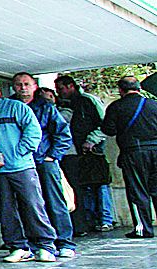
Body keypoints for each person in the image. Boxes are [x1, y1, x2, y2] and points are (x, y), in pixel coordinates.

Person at [0, 79, 56, 262]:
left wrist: (18, 153)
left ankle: (45, 245)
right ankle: (18, 246)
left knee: (33, 205)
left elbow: (33, 132)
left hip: (22, 167)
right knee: (6, 209)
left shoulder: (16, 107)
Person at [12, 73, 76, 258]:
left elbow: (63, 134)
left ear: (34, 86)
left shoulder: (45, 107)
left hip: (43, 161)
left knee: (55, 202)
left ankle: (65, 242)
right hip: (21, 163)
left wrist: (52, 156)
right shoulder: (9, 106)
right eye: (18, 85)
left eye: (26, 84)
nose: (23, 88)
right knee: (28, 204)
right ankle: (35, 243)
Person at [56, 74, 115, 234]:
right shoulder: (66, 104)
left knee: (100, 183)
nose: (58, 92)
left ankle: (106, 219)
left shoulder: (88, 101)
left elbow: (103, 124)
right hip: (78, 151)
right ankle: (91, 219)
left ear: (70, 86)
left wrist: (91, 141)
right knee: (85, 186)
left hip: (92, 149)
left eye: (61, 89)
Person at [102, 76, 157, 238]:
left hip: (133, 153)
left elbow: (108, 130)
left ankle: (143, 228)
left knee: (137, 191)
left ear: (120, 90)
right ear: (139, 88)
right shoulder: (154, 105)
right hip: (155, 150)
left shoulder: (116, 107)